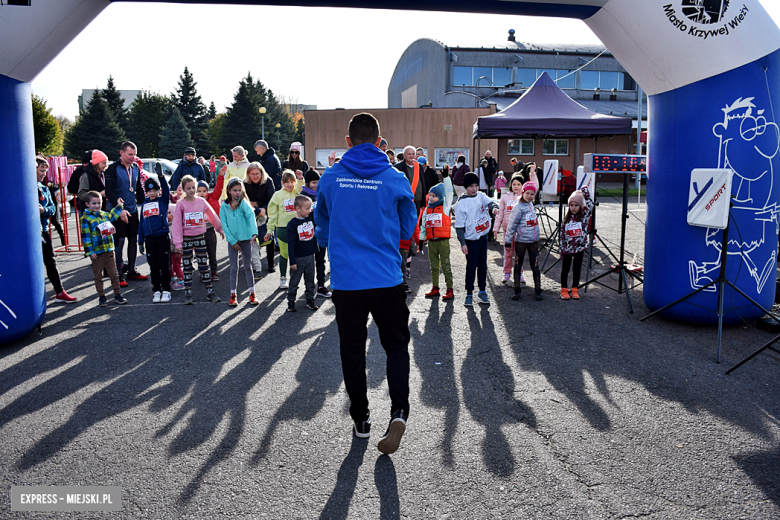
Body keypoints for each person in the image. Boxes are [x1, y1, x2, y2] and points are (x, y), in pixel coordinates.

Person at [315, 112, 416, 454]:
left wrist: (331, 242)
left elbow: (322, 220)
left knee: (352, 349)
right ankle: (399, 411)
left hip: (347, 280)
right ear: (378, 140)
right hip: (386, 277)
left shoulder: (331, 177)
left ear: (348, 142)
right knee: (396, 345)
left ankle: (360, 419)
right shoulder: (394, 177)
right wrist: (398, 239)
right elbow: (408, 219)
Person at [172, 174, 224, 304]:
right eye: (188, 188)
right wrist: (178, 243)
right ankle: (188, 292)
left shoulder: (201, 201)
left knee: (203, 265)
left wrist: (220, 229)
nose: (191, 190)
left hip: (200, 237)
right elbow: (177, 224)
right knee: (188, 266)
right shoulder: (180, 204)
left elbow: (212, 216)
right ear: (183, 189)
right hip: (187, 238)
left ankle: (210, 291)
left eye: (193, 187)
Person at [104, 141, 147, 285]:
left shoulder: (135, 167)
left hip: (133, 210)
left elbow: (138, 189)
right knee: (120, 241)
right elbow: (109, 191)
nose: (133, 157)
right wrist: (120, 209)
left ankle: (131, 271)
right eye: (130, 154)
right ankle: (118, 274)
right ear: (121, 153)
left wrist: (148, 204)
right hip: (117, 211)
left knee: (133, 240)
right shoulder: (112, 169)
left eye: (134, 155)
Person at [454, 171, 499, 306]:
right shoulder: (462, 204)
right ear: (465, 187)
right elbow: (459, 226)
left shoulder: (481, 196)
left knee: (483, 266)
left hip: (482, 237)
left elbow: (490, 202)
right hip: (470, 240)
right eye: (471, 186)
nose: (474, 189)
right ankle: (469, 293)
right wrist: (462, 243)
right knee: (471, 267)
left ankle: (482, 292)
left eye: (476, 185)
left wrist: (494, 207)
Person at [36, 156, 77, 304]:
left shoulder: (45, 188)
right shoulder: (24, 188)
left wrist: (43, 210)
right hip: (30, 233)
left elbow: (53, 209)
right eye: (41, 170)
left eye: (45, 171)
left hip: (43, 231)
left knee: (50, 261)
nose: (44, 174)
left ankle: (59, 292)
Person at [80, 191, 129, 307]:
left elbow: (113, 215)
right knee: (98, 276)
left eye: (99, 203)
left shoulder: (104, 214)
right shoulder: (86, 218)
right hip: (97, 253)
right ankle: (101, 297)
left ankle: (117, 295)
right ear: (87, 204)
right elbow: (85, 237)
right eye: (94, 203)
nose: (97, 206)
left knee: (114, 274)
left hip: (109, 250)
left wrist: (119, 206)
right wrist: (90, 252)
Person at [220, 177, 259, 307]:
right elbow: (224, 225)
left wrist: (254, 233)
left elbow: (250, 217)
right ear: (229, 191)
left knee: (248, 267)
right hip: (233, 242)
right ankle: (233, 294)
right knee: (233, 268)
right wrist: (232, 240)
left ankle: (252, 293)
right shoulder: (224, 206)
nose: (237, 193)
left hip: (246, 239)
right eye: (235, 190)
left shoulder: (244, 203)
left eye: (239, 190)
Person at [265, 169, 304, 289]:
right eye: (286, 182)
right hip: (282, 228)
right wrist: (269, 230)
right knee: (284, 254)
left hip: (297, 228)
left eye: (292, 181)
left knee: (297, 255)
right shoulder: (277, 195)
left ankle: (294, 279)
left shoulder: (296, 193)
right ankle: (282, 278)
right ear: (282, 182)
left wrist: (300, 178)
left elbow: (300, 188)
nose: (289, 184)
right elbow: (272, 214)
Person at [505, 181, 543, 301]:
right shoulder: (518, 207)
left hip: (533, 241)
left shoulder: (531, 205)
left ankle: (538, 290)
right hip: (521, 241)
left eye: (532, 194)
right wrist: (507, 242)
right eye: (527, 193)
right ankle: (517, 291)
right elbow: (511, 226)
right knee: (518, 264)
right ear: (523, 192)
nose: (529, 196)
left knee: (535, 265)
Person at [138, 174, 172, 303]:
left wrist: (162, 177)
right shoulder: (144, 205)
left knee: (164, 265)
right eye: (149, 191)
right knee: (153, 266)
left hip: (162, 237)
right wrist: (140, 241)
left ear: (158, 191)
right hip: (149, 240)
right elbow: (142, 223)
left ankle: (166, 290)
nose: (152, 193)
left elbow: (167, 190)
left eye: (154, 190)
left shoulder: (162, 202)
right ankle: (156, 290)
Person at [421, 180, 455, 301]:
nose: (431, 197)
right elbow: (424, 224)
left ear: (440, 197)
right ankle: (435, 288)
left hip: (443, 242)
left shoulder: (445, 206)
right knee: (434, 266)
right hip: (432, 242)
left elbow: (450, 192)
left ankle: (449, 289)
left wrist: (446, 178)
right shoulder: (427, 210)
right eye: (430, 195)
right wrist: (421, 238)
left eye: (434, 196)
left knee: (445, 265)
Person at [300, 168, 331, 298]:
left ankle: (321, 286)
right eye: (313, 182)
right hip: (307, 233)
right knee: (307, 262)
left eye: (318, 181)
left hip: (320, 232)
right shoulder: (301, 197)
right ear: (307, 183)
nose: (316, 185)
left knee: (320, 260)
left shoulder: (323, 194)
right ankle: (309, 287)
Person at [286, 195, 319, 312]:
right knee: (294, 281)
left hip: (310, 256)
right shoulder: (292, 224)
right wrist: (292, 261)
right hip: (298, 258)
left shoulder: (310, 218)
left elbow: (319, 210)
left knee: (310, 280)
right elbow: (290, 244)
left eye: (310, 208)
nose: (309, 210)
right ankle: (291, 301)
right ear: (298, 209)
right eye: (306, 208)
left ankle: (310, 300)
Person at [559, 187, 593, 300]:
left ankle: (575, 289)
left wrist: (585, 195)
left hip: (579, 248)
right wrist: (561, 249)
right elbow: (562, 235)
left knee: (577, 269)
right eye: (571, 205)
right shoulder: (566, 219)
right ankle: (564, 289)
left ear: (581, 206)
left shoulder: (584, 217)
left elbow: (591, 206)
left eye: (576, 205)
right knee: (565, 269)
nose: (573, 208)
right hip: (567, 249)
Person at [243, 162, 276, 277]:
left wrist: (264, 208)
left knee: (268, 236)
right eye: (252, 174)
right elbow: (243, 198)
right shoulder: (245, 183)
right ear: (248, 174)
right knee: (254, 237)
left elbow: (272, 197)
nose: (255, 176)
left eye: (257, 173)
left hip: (266, 210)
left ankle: (271, 262)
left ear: (262, 173)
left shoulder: (268, 181)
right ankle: (254, 262)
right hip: (251, 212)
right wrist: (251, 205)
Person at [495, 174, 528, 285]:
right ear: (510, 185)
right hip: (508, 232)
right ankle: (507, 273)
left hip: (520, 232)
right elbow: (499, 214)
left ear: (523, 186)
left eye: (519, 184)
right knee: (508, 253)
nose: (516, 186)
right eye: (514, 184)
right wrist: (496, 228)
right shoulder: (504, 198)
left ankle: (519, 273)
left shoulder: (524, 199)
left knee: (519, 253)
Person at [197, 166, 225, 281]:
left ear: (207, 191)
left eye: (204, 191)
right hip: (198, 231)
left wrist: (221, 176)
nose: (202, 193)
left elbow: (218, 188)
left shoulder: (212, 198)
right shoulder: (194, 202)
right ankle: (203, 272)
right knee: (201, 253)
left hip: (210, 230)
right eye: (199, 191)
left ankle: (214, 271)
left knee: (212, 252)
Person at [395, 145, 427, 212]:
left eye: (413, 154)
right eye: (409, 154)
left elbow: (422, 181)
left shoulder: (419, 166)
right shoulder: (398, 167)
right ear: (404, 155)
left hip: (418, 199)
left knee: (417, 220)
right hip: (405, 200)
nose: (411, 156)